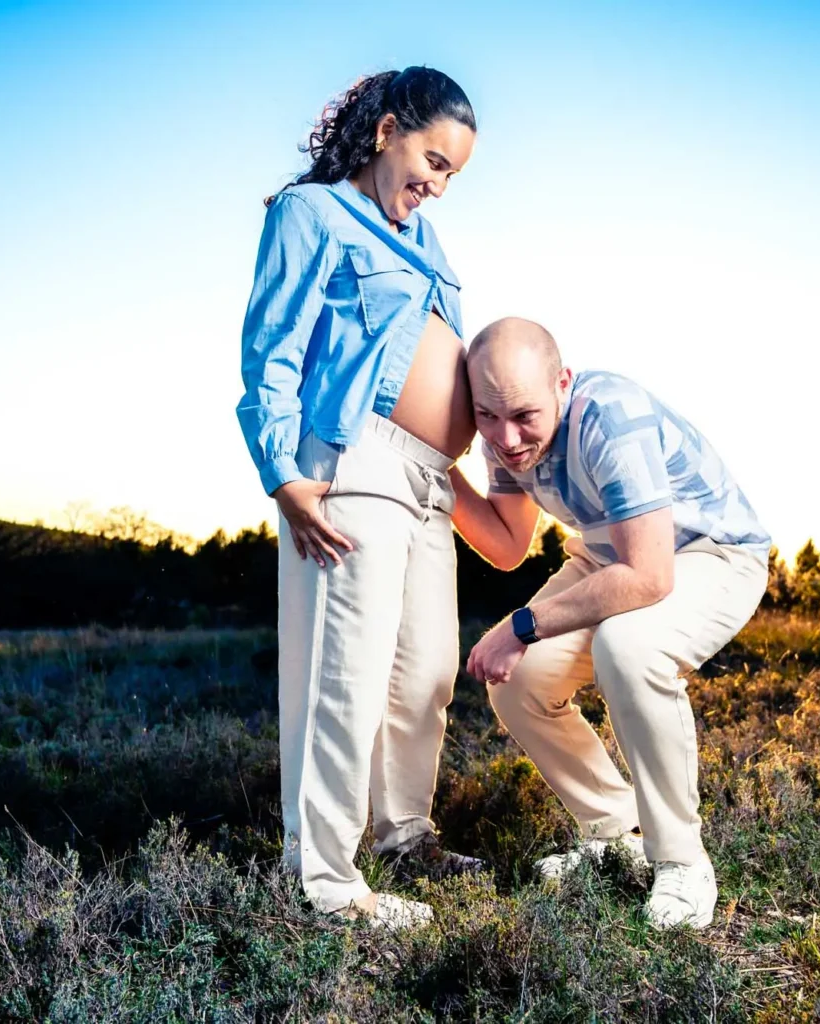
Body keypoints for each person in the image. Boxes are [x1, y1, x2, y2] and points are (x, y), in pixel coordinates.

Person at [236, 67, 484, 930]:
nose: (438, 182)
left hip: (429, 479)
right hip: (353, 459)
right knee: (346, 671)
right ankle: (326, 884)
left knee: (426, 671)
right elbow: (270, 345)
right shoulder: (311, 213)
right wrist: (284, 471)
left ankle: (402, 834)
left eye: (453, 172)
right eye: (432, 158)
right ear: (386, 130)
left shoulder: (428, 243)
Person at [450, 317, 772, 930]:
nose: (506, 438)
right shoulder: (503, 438)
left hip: (712, 554)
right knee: (517, 681)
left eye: (523, 415)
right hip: (609, 557)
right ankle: (614, 829)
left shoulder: (608, 418)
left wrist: (520, 625)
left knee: (628, 646)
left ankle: (681, 862)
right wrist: (439, 468)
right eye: (486, 416)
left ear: (562, 382)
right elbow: (509, 542)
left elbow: (649, 576)